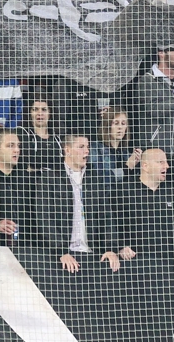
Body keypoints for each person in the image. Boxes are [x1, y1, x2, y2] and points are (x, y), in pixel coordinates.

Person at [36, 133, 120, 336]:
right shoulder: (50, 177)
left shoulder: (96, 178)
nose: (87, 151)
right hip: (65, 256)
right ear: (67, 150)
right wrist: (60, 251)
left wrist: (110, 248)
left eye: (88, 147)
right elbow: (44, 216)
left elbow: (106, 215)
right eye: (81, 147)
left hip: (92, 255)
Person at [116, 148, 174, 340]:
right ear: (145, 166)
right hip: (135, 272)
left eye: (166, 162)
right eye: (161, 162)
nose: (166, 166)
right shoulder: (124, 190)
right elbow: (113, 222)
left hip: (169, 271)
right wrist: (120, 246)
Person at [0, 129, 33, 244]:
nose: (17, 150)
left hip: (25, 246)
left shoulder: (25, 177)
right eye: (10, 146)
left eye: (18, 145)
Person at [90, 108, 141, 184]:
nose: (120, 127)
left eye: (123, 123)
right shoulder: (95, 148)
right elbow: (100, 179)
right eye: (116, 123)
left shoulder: (125, 152)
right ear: (107, 125)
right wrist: (128, 166)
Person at [16, 99, 62, 172]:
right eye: (35, 109)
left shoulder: (58, 137)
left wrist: (36, 169)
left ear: (50, 113)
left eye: (44, 109)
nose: (40, 113)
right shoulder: (20, 133)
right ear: (29, 112)